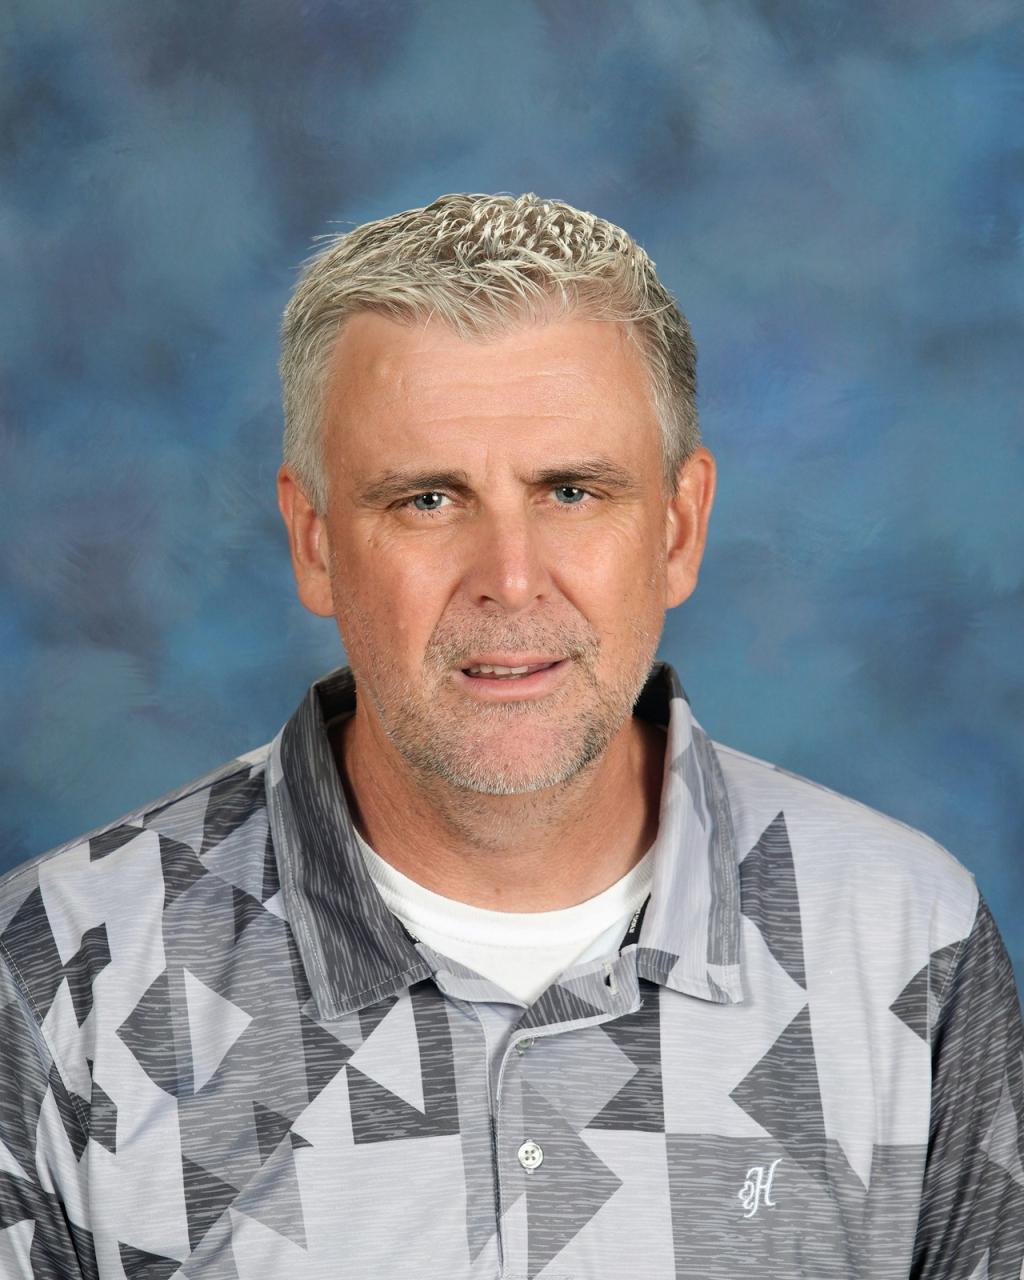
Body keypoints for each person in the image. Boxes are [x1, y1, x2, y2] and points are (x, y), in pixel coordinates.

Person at [0, 192, 1020, 1280]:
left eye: (572, 490)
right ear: (313, 541)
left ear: (677, 528)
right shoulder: (62, 979)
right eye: (428, 499)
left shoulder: (906, 944)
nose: (510, 579)